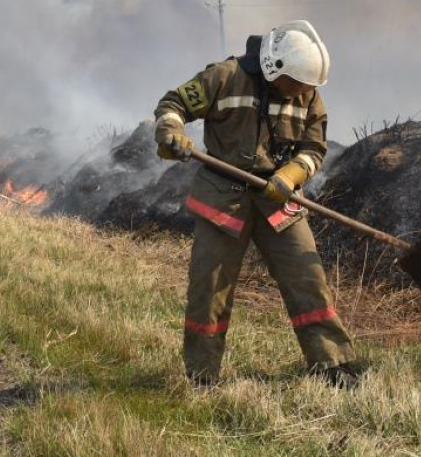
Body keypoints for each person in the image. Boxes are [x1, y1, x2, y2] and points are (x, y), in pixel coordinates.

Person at [153, 20, 359, 388]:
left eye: (308, 86)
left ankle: (332, 363)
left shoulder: (307, 93)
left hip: (275, 195)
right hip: (223, 197)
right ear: (273, 68)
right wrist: (172, 132)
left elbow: (314, 148)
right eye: (297, 84)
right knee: (210, 287)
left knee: (307, 276)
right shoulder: (225, 76)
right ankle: (202, 375)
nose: (302, 91)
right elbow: (174, 104)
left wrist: (292, 175)